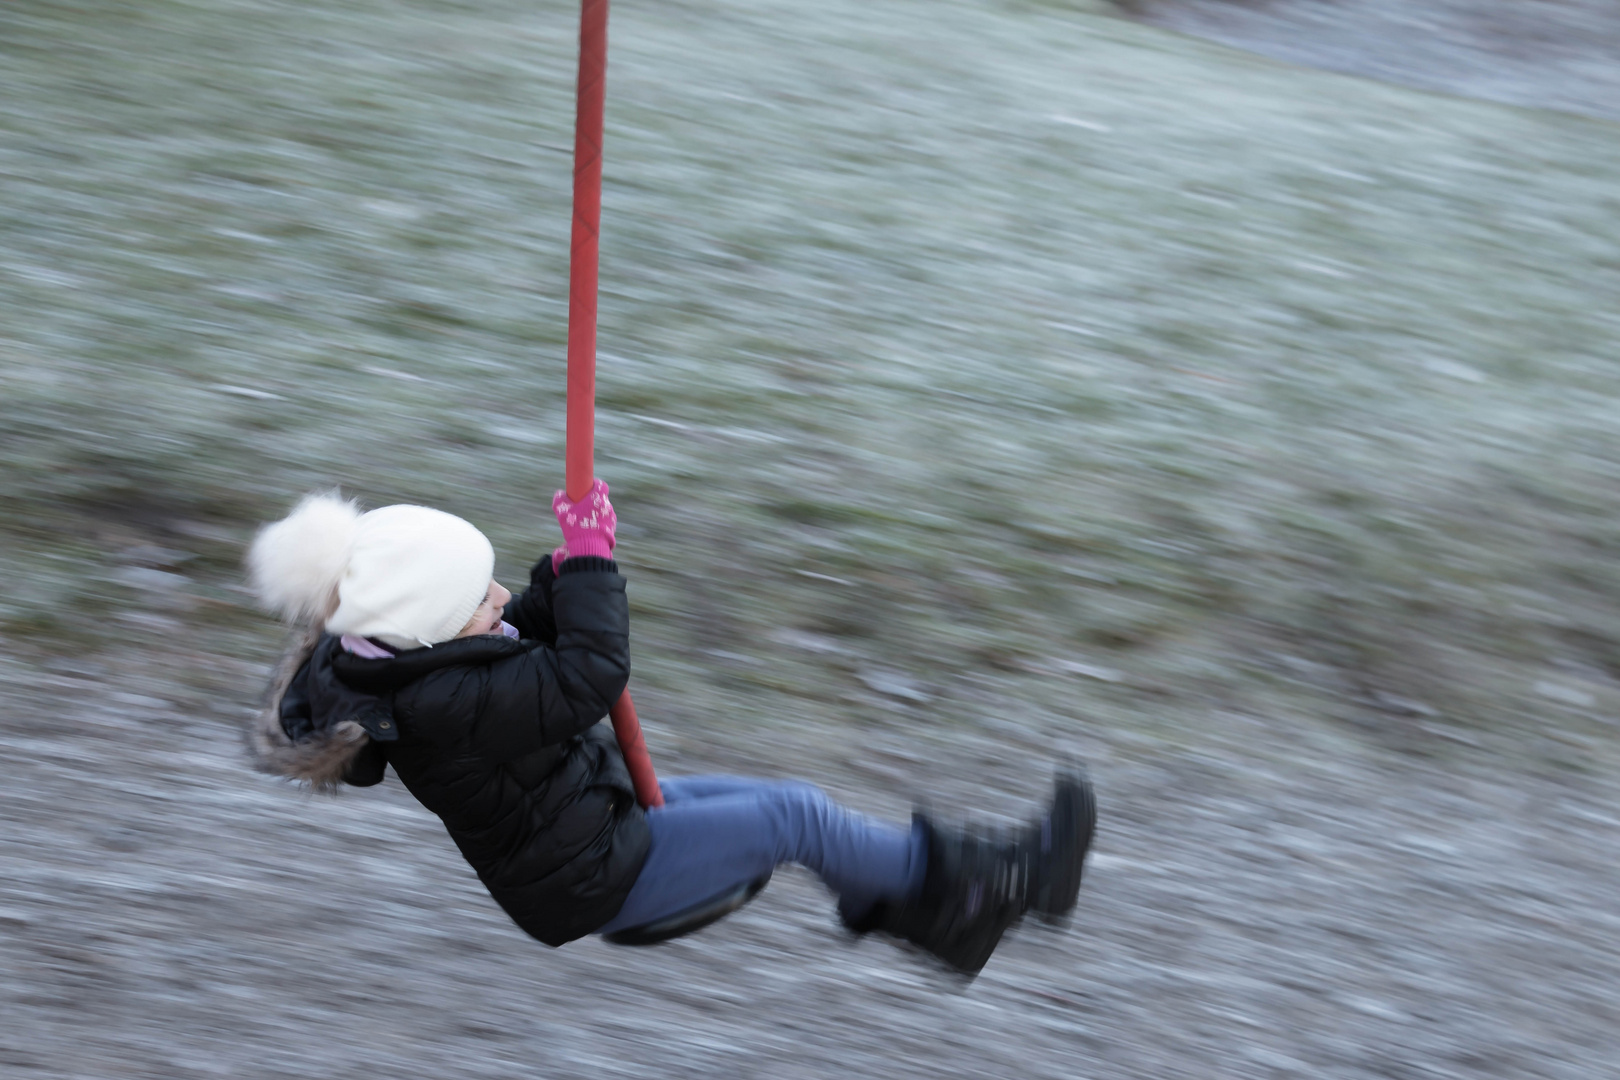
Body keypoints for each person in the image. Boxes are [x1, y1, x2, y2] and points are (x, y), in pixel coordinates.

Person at [247, 482, 1096, 976]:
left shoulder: (400, 654)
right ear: (432, 623)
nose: (499, 597)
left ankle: (939, 910)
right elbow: (583, 674)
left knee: (781, 808)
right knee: (790, 818)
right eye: (481, 594)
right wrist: (591, 570)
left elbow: (531, 632)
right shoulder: (442, 710)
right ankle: (999, 884)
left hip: (600, 821)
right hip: (595, 875)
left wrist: (574, 558)